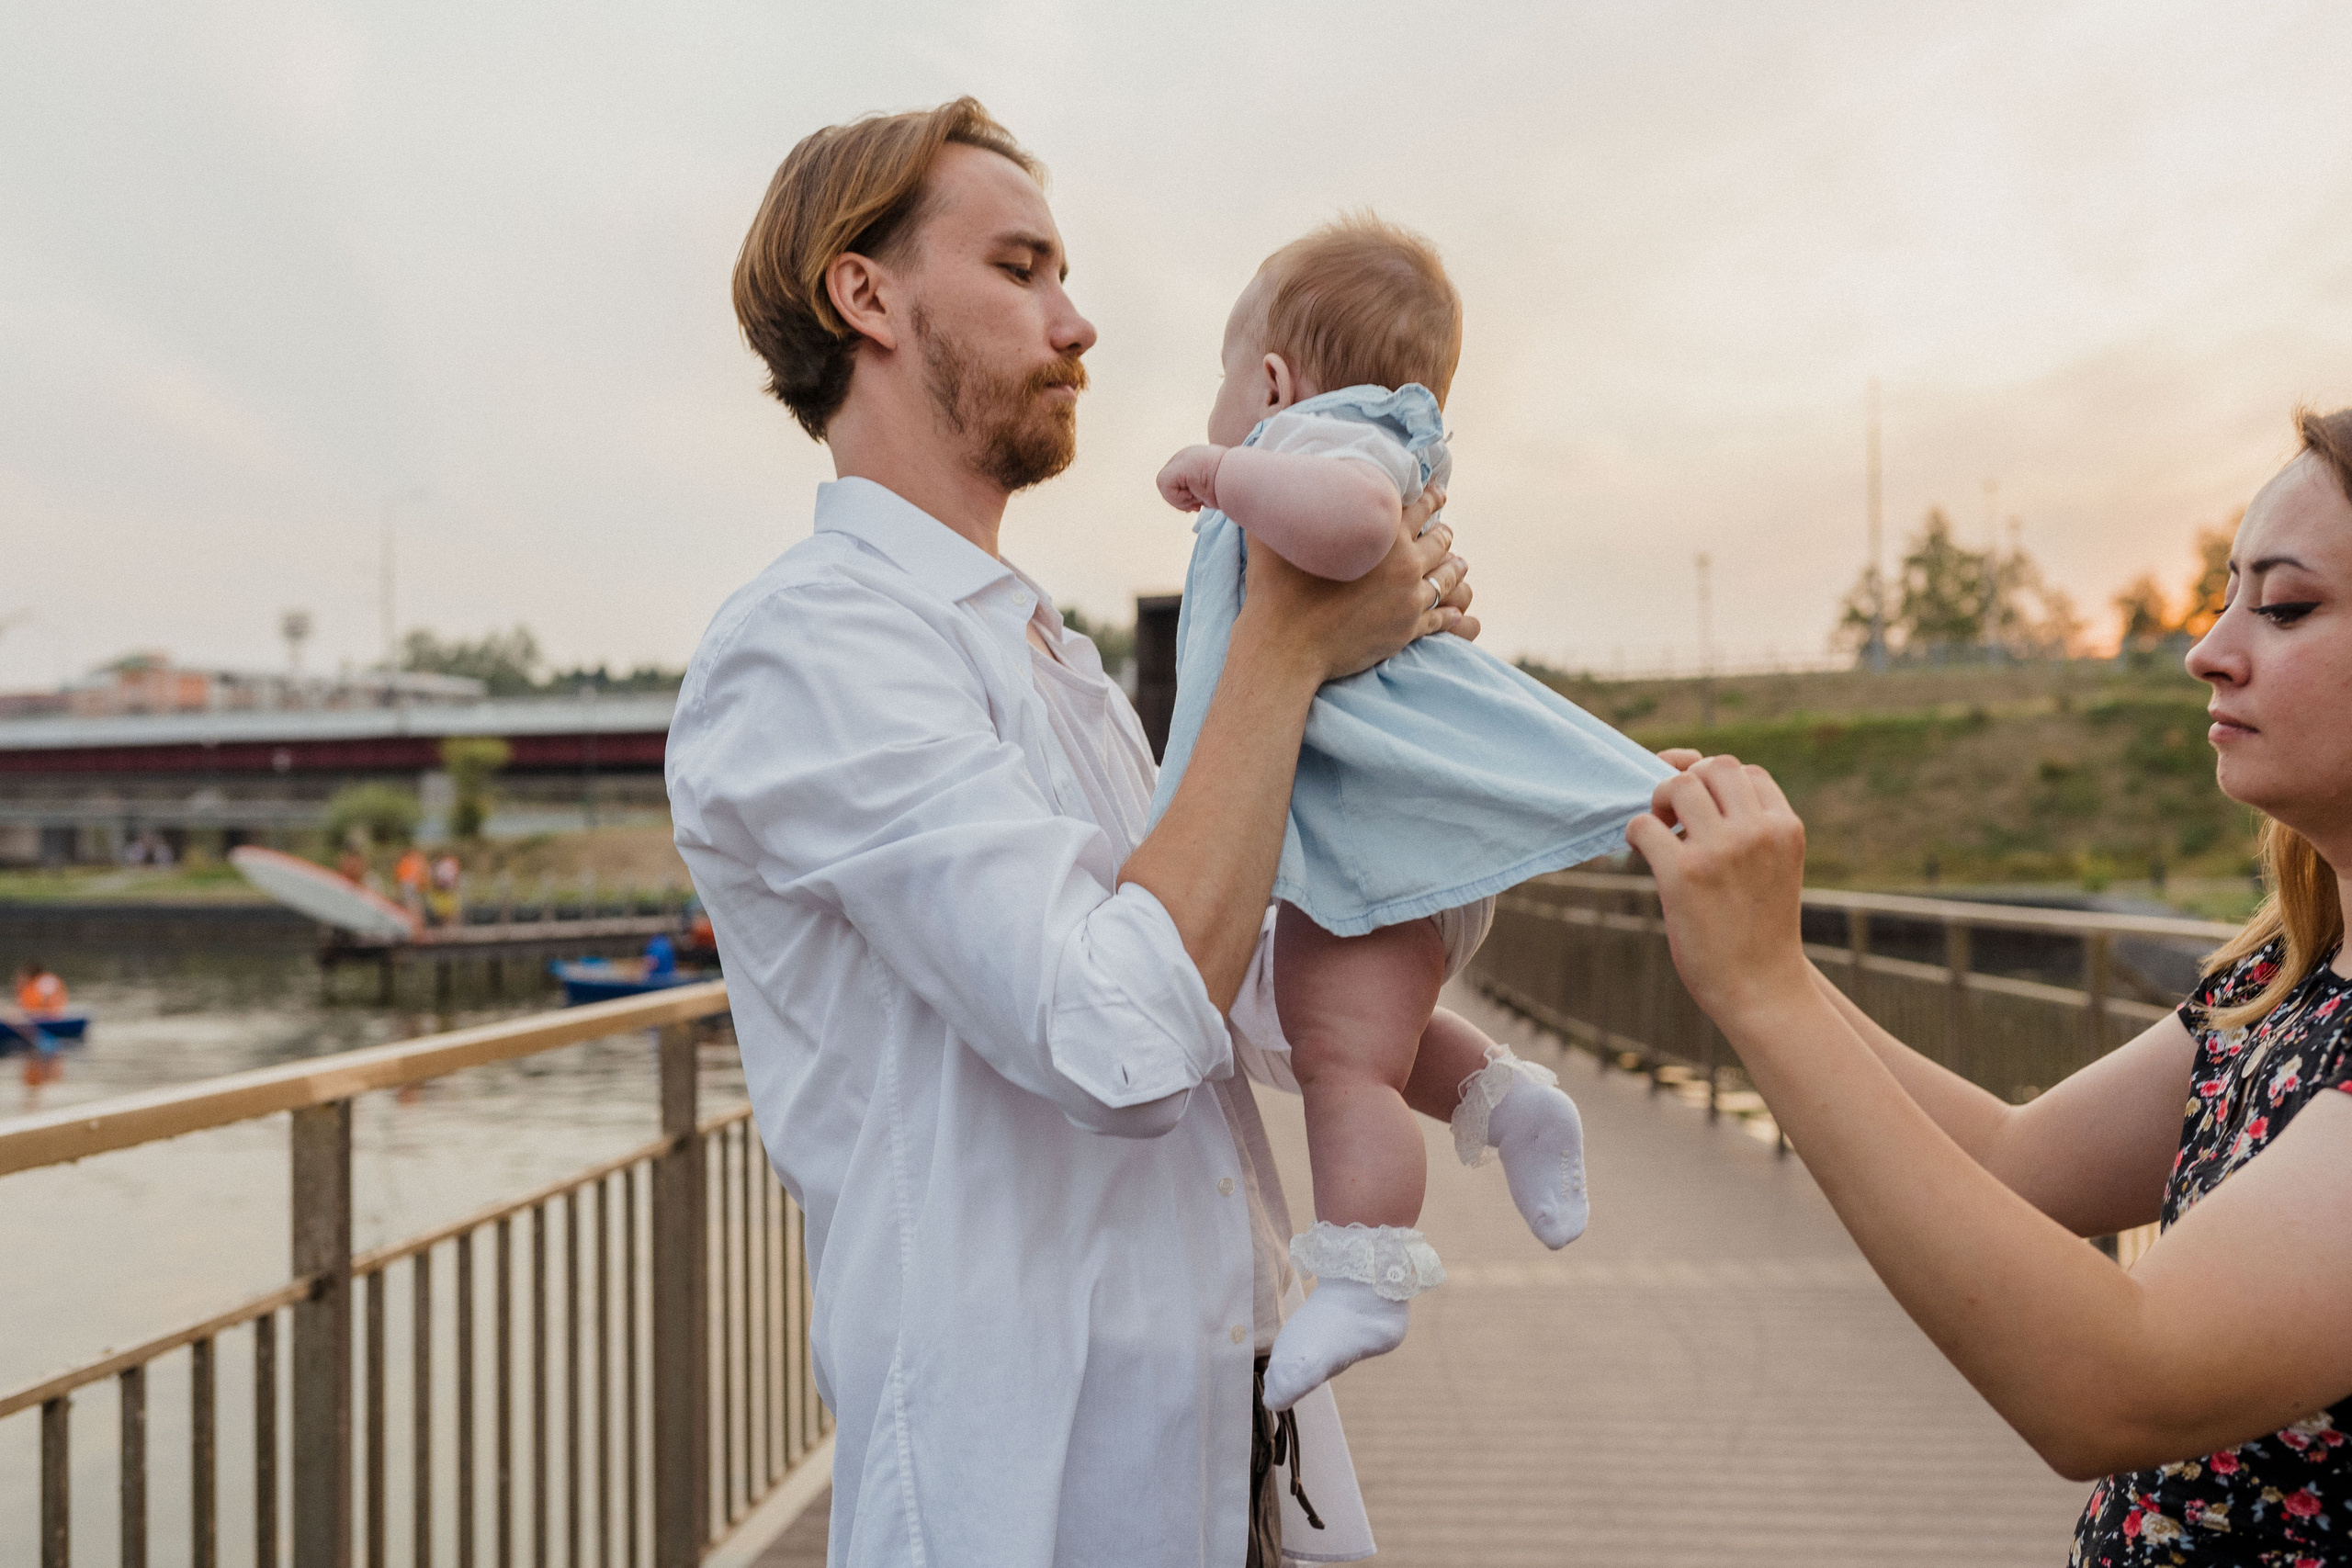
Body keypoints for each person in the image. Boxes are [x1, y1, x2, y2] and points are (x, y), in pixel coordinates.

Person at [666, 99, 1476, 1568]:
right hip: (1032, 1499)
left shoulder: (1050, 658)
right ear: (868, 295)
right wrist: (1283, 652)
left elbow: (1242, 1001)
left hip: (1226, 1466)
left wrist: (1404, 710)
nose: (1079, 319)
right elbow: (1117, 1035)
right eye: (1025, 267)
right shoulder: (810, 646)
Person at [1632, 407, 2352, 1566]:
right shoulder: (2293, 978)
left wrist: (1761, 985)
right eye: (2224, 597)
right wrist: (1758, 957)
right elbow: (2021, 1168)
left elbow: (2119, 1385)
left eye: (2284, 607)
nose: (2207, 649)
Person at [1150, 214, 1672, 1412]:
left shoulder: (1323, 439)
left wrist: (1229, 470)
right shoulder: (1357, 435)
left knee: (1343, 1066)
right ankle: (1509, 1099)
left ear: (1273, 379)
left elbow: (1353, 528)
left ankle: (1365, 1270)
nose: (1224, 410)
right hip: (1374, 836)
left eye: (1225, 382)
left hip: (1373, 833)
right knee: (1346, 1029)